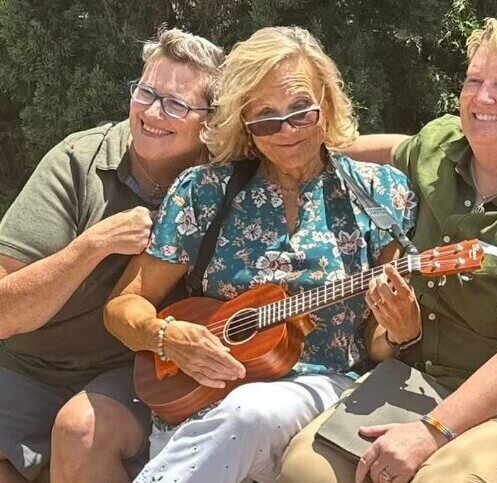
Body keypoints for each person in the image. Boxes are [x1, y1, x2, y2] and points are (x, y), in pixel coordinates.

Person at [277, 18, 497, 483]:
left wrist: (430, 432)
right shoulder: (442, 143)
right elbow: (396, 149)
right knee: (305, 469)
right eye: (474, 81)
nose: (482, 97)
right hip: (420, 376)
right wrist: (304, 152)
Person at [103, 26, 417, 483]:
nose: (286, 130)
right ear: (244, 123)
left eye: (301, 111)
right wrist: (165, 337)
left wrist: (399, 331)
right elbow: (122, 307)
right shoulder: (204, 192)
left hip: (317, 393)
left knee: (249, 411)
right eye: (266, 119)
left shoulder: (378, 194)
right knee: (232, 419)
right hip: (197, 402)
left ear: (327, 105)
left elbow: (374, 340)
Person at [0, 29, 223, 483]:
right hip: (29, 366)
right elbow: (4, 313)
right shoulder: (78, 161)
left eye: (176, 104)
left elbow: (310, 144)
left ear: (210, 121)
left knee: (81, 433)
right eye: (146, 93)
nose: (152, 113)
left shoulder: (222, 177)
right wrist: (92, 245)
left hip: (136, 370)